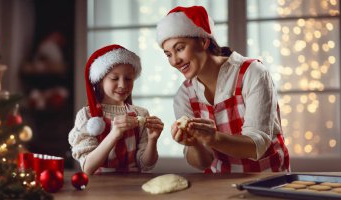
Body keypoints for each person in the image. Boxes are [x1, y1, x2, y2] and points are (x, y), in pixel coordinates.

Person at [156, 6, 290, 173]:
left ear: (204, 41)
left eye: (179, 48)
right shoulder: (184, 95)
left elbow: (258, 145)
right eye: (168, 54)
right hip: (217, 187)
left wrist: (213, 138)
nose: (175, 61)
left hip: (266, 180)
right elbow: (202, 163)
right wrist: (194, 144)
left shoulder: (252, 73)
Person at [68, 44, 163, 174]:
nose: (123, 85)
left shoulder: (141, 113)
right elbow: (88, 168)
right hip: (100, 190)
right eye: (114, 78)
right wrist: (114, 135)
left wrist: (153, 140)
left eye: (128, 78)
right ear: (100, 80)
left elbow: (146, 165)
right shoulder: (87, 115)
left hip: (133, 189)